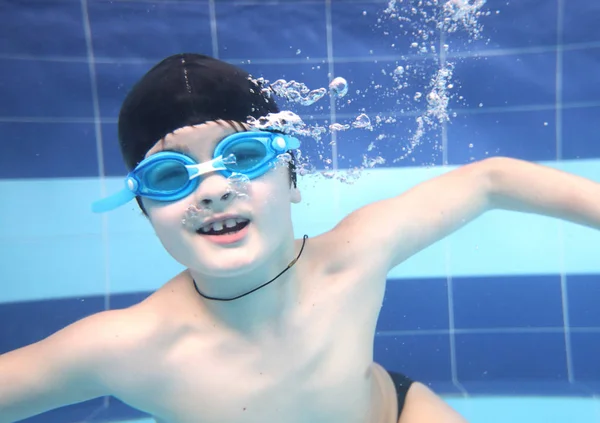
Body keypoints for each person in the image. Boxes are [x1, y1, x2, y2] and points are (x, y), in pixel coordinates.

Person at [1, 53, 599, 423]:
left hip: (391, 412)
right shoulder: (127, 347)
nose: (212, 191)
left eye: (244, 155)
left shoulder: (354, 256)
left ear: (292, 179)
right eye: (168, 176)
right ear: (144, 211)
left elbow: (490, 180)